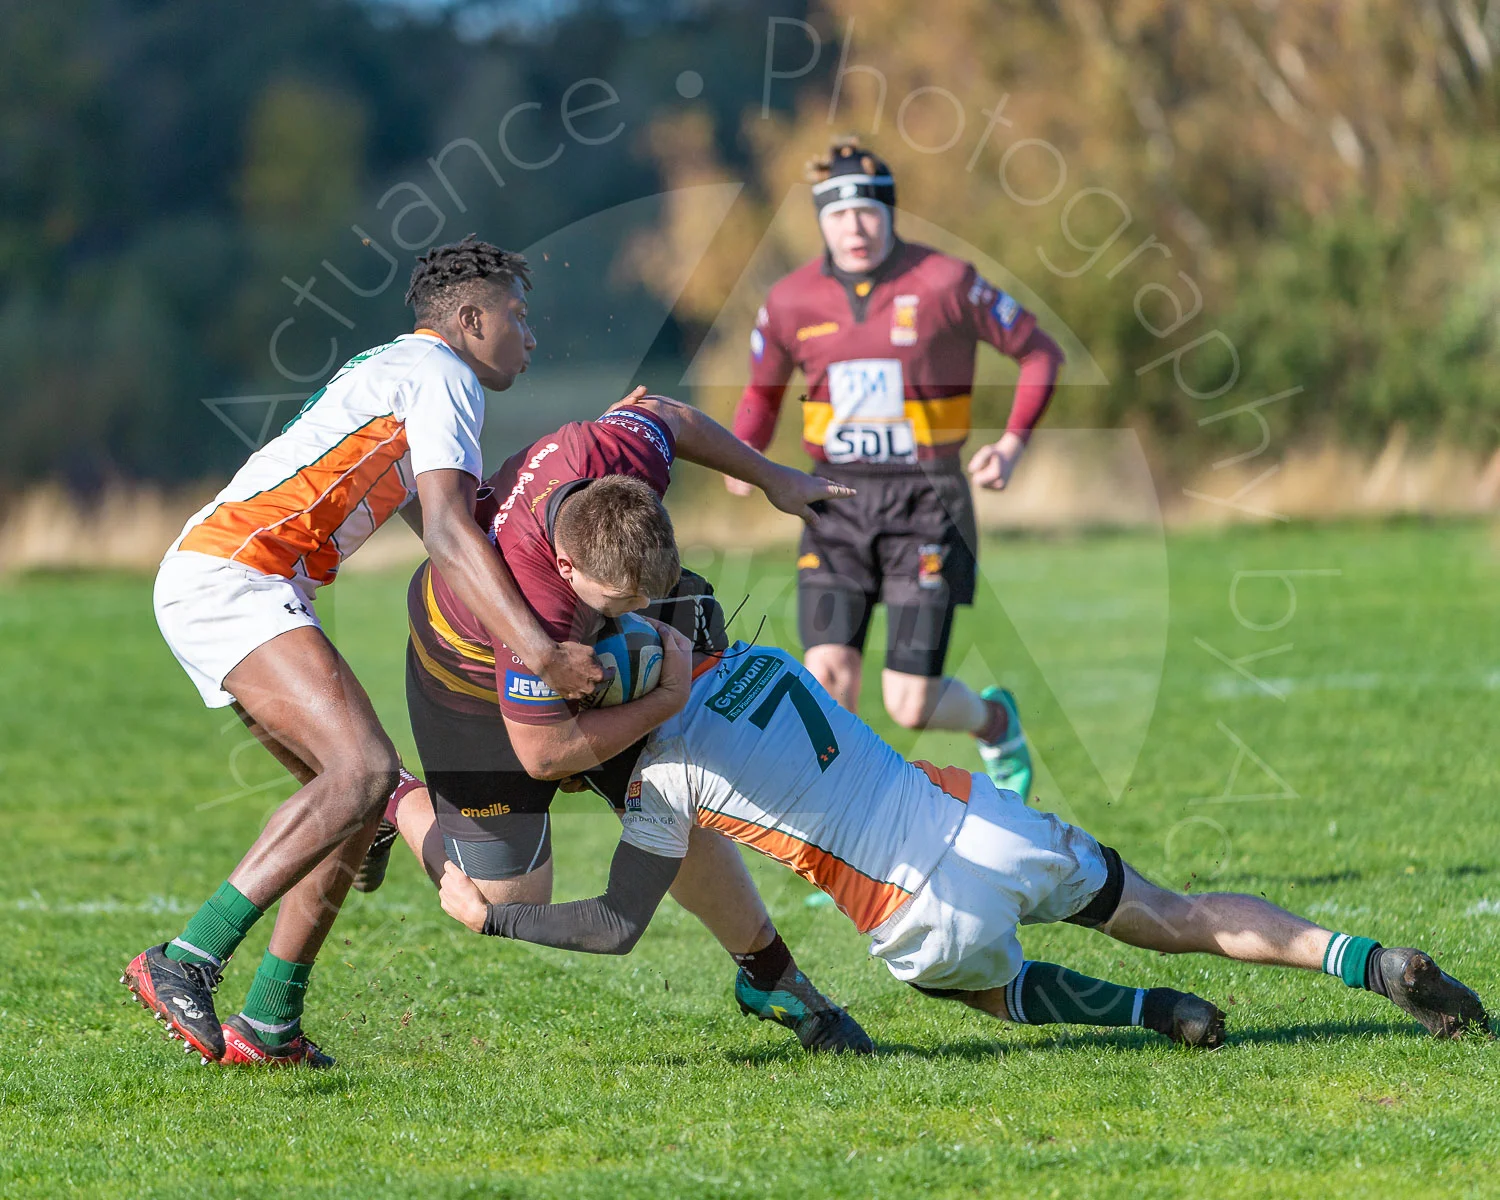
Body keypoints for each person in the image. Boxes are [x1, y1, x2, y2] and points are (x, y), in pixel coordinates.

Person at [435, 598, 1491, 1050]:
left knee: (993, 989)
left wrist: (496, 923)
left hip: (912, 910)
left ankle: (1147, 1015)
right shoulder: (763, 659)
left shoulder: (658, 781)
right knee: (1173, 907)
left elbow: (616, 928)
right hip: (984, 817)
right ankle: (1362, 962)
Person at [124, 237, 610, 1068]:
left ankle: (271, 1021)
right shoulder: (444, 376)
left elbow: (458, 516)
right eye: (517, 317)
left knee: (357, 797)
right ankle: (185, 959)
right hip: (232, 577)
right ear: (469, 318)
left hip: (224, 575)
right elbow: (453, 534)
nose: (530, 337)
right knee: (363, 775)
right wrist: (540, 652)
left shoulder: (411, 369)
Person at [367, 394, 876, 1053]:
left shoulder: (612, 455)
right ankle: (390, 798)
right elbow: (544, 753)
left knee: (671, 791)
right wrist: (658, 704)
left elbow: (669, 414)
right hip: (463, 679)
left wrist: (773, 477)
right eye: (625, 601)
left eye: (646, 596)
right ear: (568, 567)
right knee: (507, 891)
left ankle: (773, 977)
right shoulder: (535, 600)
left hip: (575, 643)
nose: (641, 612)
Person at [726, 137, 1067, 797]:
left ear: (890, 213)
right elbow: (761, 393)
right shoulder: (791, 301)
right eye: (838, 213)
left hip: (927, 504)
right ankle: (854, 844)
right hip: (832, 504)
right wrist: (745, 455)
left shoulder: (946, 282)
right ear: (820, 220)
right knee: (827, 682)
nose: (854, 227)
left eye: (868, 211)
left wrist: (1014, 441)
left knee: (911, 703)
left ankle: (995, 722)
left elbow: (1041, 353)